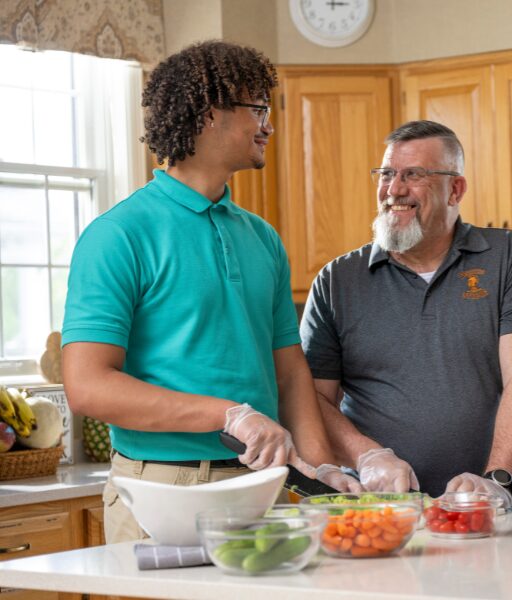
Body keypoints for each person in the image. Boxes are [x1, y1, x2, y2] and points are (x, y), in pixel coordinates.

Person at [61, 40, 360, 544]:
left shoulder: (262, 238)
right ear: (208, 115)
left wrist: (322, 473)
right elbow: (87, 385)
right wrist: (228, 415)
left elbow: (289, 372)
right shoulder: (119, 235)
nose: (269, 125)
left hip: (261, 487)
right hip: (162, 492)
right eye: (257, 109)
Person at [299, 120, 512, 504]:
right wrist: (367, 455)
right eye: (386, 174)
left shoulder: (509, 255)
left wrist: (497, 479)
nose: (394, 189)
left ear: (456, 189)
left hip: (481, 507)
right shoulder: (337, 280)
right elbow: (312, 399)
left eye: (413, 175)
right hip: (376, 509)